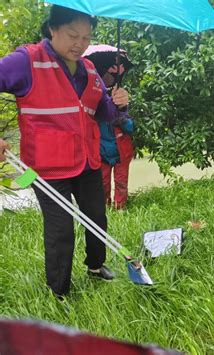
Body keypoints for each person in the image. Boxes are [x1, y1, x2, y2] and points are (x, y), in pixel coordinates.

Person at [0, 5, 131, 298]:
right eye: (73, 35)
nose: (80, 44)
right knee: (61, 230)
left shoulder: (88, 69)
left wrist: (119, 103)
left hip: (86, 160)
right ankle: (58, 293)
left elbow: (104, 113)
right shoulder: (27, 60)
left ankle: (96, 266)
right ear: (53, 29)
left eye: (86, 38)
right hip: (47, 168)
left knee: (97, 217)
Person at [84, 61, 135, 210]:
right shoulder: (93, 109)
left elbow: (131, 127)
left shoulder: (120, 105)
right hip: (101, 155)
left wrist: (121, 118)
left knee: (121, 183)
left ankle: (120, 208)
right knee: (103, 184)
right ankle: (104, 208)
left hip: (121, 154)